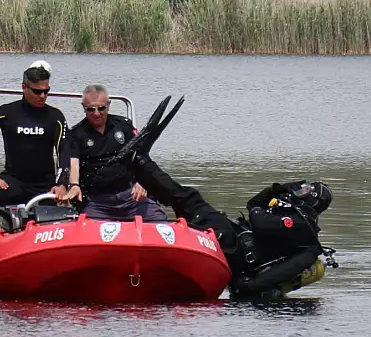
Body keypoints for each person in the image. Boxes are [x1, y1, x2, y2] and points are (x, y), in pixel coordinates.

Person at [106, 95, 336, 298]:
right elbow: (253, 203)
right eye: (301, 187)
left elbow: (259, 222)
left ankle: (138, 161)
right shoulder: (292, 212)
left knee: (188, 199)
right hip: (230, 236)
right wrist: (278, 188)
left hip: (231, 248)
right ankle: (138, 164)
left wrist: (245, 285)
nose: (299, 191)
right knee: (186, 200)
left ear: (312, 201)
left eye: (305, 190)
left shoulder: (302, 230)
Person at [0, 61, 70, 233]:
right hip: (15, 182)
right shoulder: (6, 112)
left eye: (46, 91)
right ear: (24, 87)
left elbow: (64, 151)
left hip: (46, 185)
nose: (42, 96)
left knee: (78, 198)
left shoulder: (56, 117)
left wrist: (62, 184)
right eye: (37, 91)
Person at [62, 84, 166, 221]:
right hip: (97, 201)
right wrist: (74, 185)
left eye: (101, 108)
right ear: (83, 107)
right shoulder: (76, 134)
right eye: (90, 109)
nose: (96, 113)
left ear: (109, 105)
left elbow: (141, 155)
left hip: (130, 195)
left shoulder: (124, 126)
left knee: (159, 222)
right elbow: (73, 163)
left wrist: (143, 181)